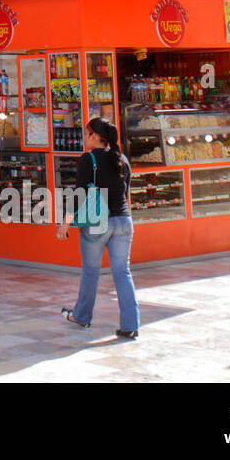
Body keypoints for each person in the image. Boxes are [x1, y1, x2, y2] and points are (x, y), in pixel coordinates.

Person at [56, 117, 140, 340]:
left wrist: (66, 222)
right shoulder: (122, 159)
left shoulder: (88, 159)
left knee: (91, 272)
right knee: (123, 273)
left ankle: (82, 316)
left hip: (97, 223)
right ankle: (131, 325)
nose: (84, 139)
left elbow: (80, 194)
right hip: (123, 221)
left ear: (95, 136)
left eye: (85, 134)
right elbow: (126, 193)